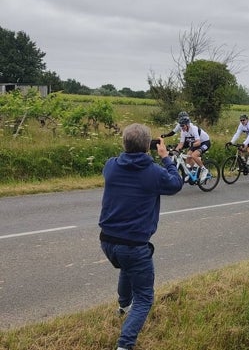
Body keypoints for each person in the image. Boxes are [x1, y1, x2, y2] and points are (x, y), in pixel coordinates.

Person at [99, 123, 183, 350]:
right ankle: (125, 345)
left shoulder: (111, 166)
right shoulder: (154, 173)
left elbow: (124, 164)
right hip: (134, 245)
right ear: (149, 146)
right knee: (145, 298)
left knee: (128, 268)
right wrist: (165, 158)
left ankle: (123, 307)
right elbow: (176, 183)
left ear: (123, 144)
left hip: (107, 241)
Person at [171, 116, 211, 181]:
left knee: (194, 155)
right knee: (188, 157)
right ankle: (194, 170)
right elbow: (181, 144)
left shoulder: (194, 129)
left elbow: (198, 142)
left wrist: (191, 144)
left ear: (187, 125)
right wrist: (175, 150)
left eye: (183, 125)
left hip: (204, 142)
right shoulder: (183, 131)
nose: (182, 127)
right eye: (181, 126)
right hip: (195, 143)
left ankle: (204, 170)